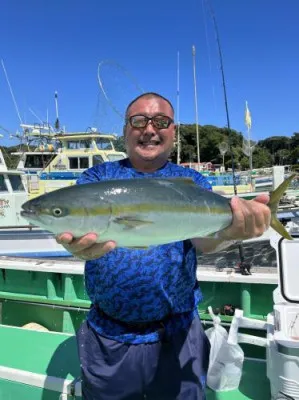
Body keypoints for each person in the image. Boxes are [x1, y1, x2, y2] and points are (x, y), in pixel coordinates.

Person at [56, 92, 271, 400]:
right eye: (139, 120)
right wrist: (72, 245)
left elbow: (203, 242)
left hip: (179, 334)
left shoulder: (191, 182)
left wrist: (231, 231)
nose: (149, 129)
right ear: (125, 130)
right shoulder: (98, 178)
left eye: (161, 121)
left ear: (173, 131)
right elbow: (77, 225)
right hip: (110, 335)